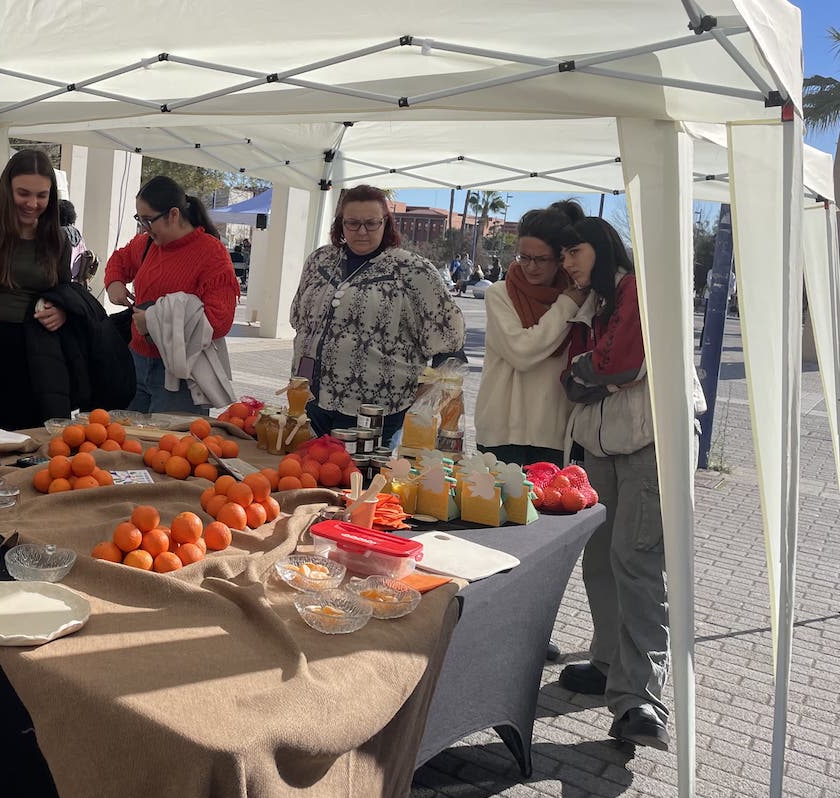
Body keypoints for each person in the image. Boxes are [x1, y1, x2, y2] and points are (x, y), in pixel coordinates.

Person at [555, 216, 676, 751]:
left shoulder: (639, 290)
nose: (567, 264)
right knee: (600, 559)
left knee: (638, 566)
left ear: (601, 248)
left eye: (574, 251)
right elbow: (573, 375)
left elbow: (620, 362)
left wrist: (594, 371)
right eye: (562, 256)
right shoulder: (595, 303)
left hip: (649, 448)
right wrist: (593, 370)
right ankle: (607, 664)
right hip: (602, 449)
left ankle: (641, 702)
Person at [0, 150, 132, 428]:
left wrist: (61, 311)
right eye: (23, 193)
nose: (32, 203)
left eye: (42, 196)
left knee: (28, 449)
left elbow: (63, 290)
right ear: (6, 190)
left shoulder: (56, 239)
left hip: (37, 360)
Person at [289, 184, 464, 445]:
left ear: (386, 223)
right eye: (352, 223)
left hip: (375, 411)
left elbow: (450, 344)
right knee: (306, 477)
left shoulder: (413, 270)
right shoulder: (320, 260)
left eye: (371, 223)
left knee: (358, 483)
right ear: (340, 224)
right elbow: (299, 320)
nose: (361, 231)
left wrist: (425, 400)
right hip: (310, 401)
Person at [104, 176, 240, 414]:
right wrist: (114, 282)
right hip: (135, 362)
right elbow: (119, 260)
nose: (143, 228)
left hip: (180, 375)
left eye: (148, 220)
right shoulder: (147, 244)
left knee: (169, 448)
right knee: (126, 443)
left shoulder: (211, 254)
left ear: (174, 214)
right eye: (140, 219)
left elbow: (219, 321)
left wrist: (155, 320)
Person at [475, 201, 586, 468]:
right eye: (524, 257)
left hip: (551, 434)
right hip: (501, 433)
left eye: (541, 259)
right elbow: (522, 352)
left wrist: (569, 301)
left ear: (560, 259)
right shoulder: (500, 293)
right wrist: (566, 306)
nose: (531, 267)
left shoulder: (578, 294)